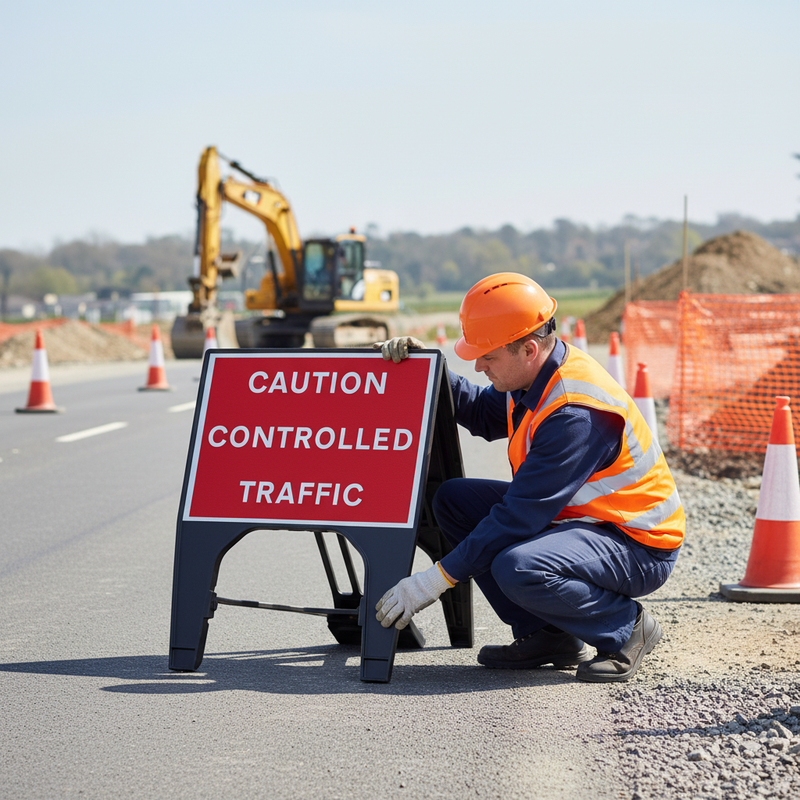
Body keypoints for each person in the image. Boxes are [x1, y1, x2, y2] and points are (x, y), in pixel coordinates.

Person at [373, 272, 684, 683]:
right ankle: (547, 636)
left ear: (528, 348)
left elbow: (517, 517)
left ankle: (626, 628)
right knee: (454, 500)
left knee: (518, 566)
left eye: (488, 357)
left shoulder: (575, 412)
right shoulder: (531, 376)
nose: (479, 365)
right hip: (585, 522)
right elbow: (482, 414)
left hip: (637, 543)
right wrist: (427, 368)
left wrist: (433, 581)